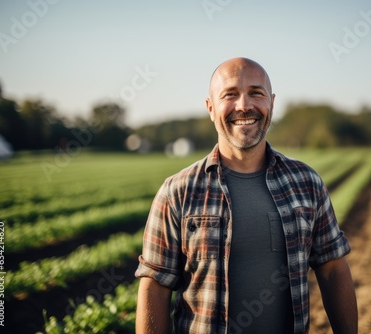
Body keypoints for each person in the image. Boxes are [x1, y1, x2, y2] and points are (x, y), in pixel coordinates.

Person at [135, 57, 357, 334]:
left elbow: (333, 268)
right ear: (210, 107)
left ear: (272, 103)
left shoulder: (307, 182)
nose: (244, 105)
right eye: (230, 94)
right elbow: (155, 286)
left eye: (256, 93)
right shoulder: (177, 191)